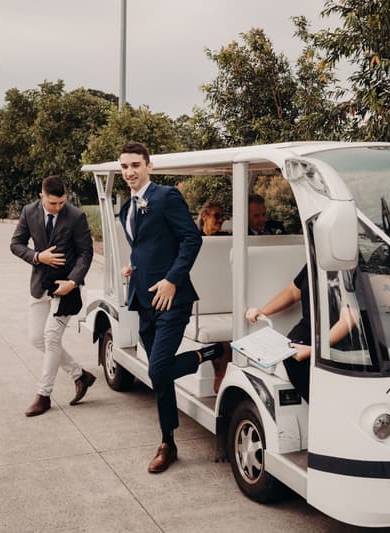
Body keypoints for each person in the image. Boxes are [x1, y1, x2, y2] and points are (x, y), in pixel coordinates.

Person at [118, 141, 226, 473]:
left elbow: (191, 239)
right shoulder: (126, 208)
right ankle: (169, 442)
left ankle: (211, 353)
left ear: (149, 166)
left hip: (172, 299)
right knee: (160, 376)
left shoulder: (166, 197)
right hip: (143, 300)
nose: (130, 172)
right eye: (124, 167)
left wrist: (172, 279)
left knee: (157, 370)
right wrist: (134, 269)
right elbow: (145, 247)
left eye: (135, 165)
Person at [10, 175, 96, 417]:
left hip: (66, 289)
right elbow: (16, 244)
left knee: (50, 338)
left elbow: (85, 253)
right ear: (42, 196)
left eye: (62, 203)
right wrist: (38, 257)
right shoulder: (29, 212)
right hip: (39, 286)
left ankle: (44, 395)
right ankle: (80, 375)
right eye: (52, 203)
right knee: (36, 339)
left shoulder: (76, 216)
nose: (58, 207)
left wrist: (73, 281)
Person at [245, 265, 358, 402]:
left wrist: (316, 348)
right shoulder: (314, 261)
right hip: (309, 330)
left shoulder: (352, 269)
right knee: (291, 356)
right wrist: (263, 312)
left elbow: (348, 318)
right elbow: (292, 292)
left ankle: (326, 410)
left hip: (341, 339)